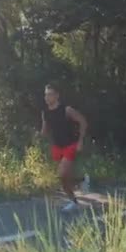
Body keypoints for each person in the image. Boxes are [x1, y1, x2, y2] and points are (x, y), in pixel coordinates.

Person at [41, 83, 89, 212]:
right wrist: (42, 134)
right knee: (65, 178)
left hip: (70, 144)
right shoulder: (45, 112)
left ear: (57, 96)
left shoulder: (66, 109)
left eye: (50, 94)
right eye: (46, 94)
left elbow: (83, 121)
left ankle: (74, 200)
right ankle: (81, 181)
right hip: (57, 146)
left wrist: (80, 141)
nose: (47, 97)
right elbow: (45, 129)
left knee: (62, 175)